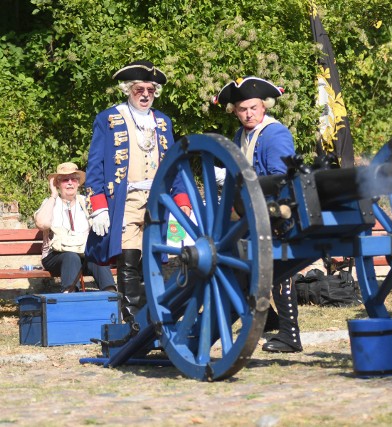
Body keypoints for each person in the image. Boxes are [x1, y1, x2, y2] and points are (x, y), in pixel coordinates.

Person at [85, 60, 191, 322]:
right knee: (129, 257)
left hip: (157, 198)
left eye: (150, 90)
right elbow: (95, 163)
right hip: (125, 197)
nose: (145, 95)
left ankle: (154, 314)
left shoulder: (163, 121)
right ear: (128, 90)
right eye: (139, 89)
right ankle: (132, 317)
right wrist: (98, 204)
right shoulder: (109, 118)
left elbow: (173, 164)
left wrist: (182, 200)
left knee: (154, 258)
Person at [215, 76, 300, 353]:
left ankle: (290, 334)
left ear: (264, 107)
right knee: (240, 264)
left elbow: (281, 178)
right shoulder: (241, 135)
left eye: (253, 108)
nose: (248, 114)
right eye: (242, 109)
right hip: (250, 213)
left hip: (277, 212)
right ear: (235, 112)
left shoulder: (274, 133)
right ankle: (268, 319)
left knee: (281, 269)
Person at [34, 162, 116, 293]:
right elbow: (42, 224)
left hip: (83, 254)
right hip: (56, 256)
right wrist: (53, 195)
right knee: (71, 257)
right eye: (65, 180)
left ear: (78, 183)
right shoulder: (50, 202)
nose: (70, 183)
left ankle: (111, 298)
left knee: (98, 258)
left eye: (74, 179)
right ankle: (71, 297)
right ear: (58, 184)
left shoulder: (86, 202)